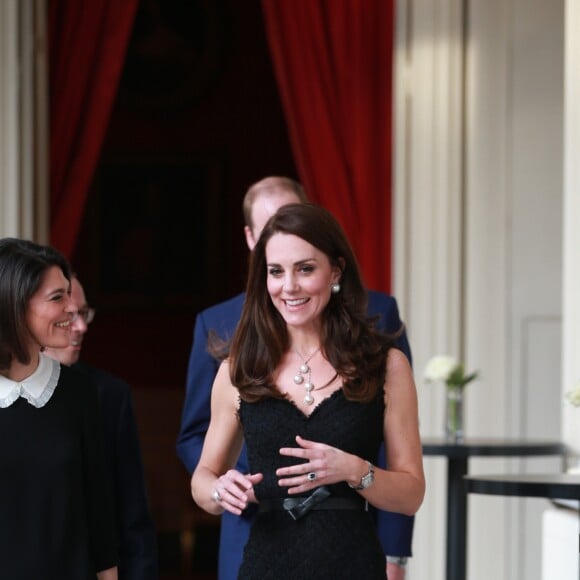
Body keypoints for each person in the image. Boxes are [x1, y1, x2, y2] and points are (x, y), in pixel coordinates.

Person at [176, 176, 415, 579]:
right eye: (276, 271)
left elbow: (411, 494)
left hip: (353, 563)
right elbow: (203, 477)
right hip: (265, 563)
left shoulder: (387, 365)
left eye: (305, 269)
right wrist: (219, 490)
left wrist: (355, 470)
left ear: (335, 269)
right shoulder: (237, 368)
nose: (289, 287)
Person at [0, 237, 118, 579]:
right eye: (58, 297)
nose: (73, 308)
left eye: (70, 293)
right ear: (14, 305)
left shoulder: (78, 391)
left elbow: (99, 516)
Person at [45, 276, 158, 580]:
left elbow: (132, 516)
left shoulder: (109, 395)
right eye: (70, 315)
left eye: (84, 313)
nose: (81, 327)